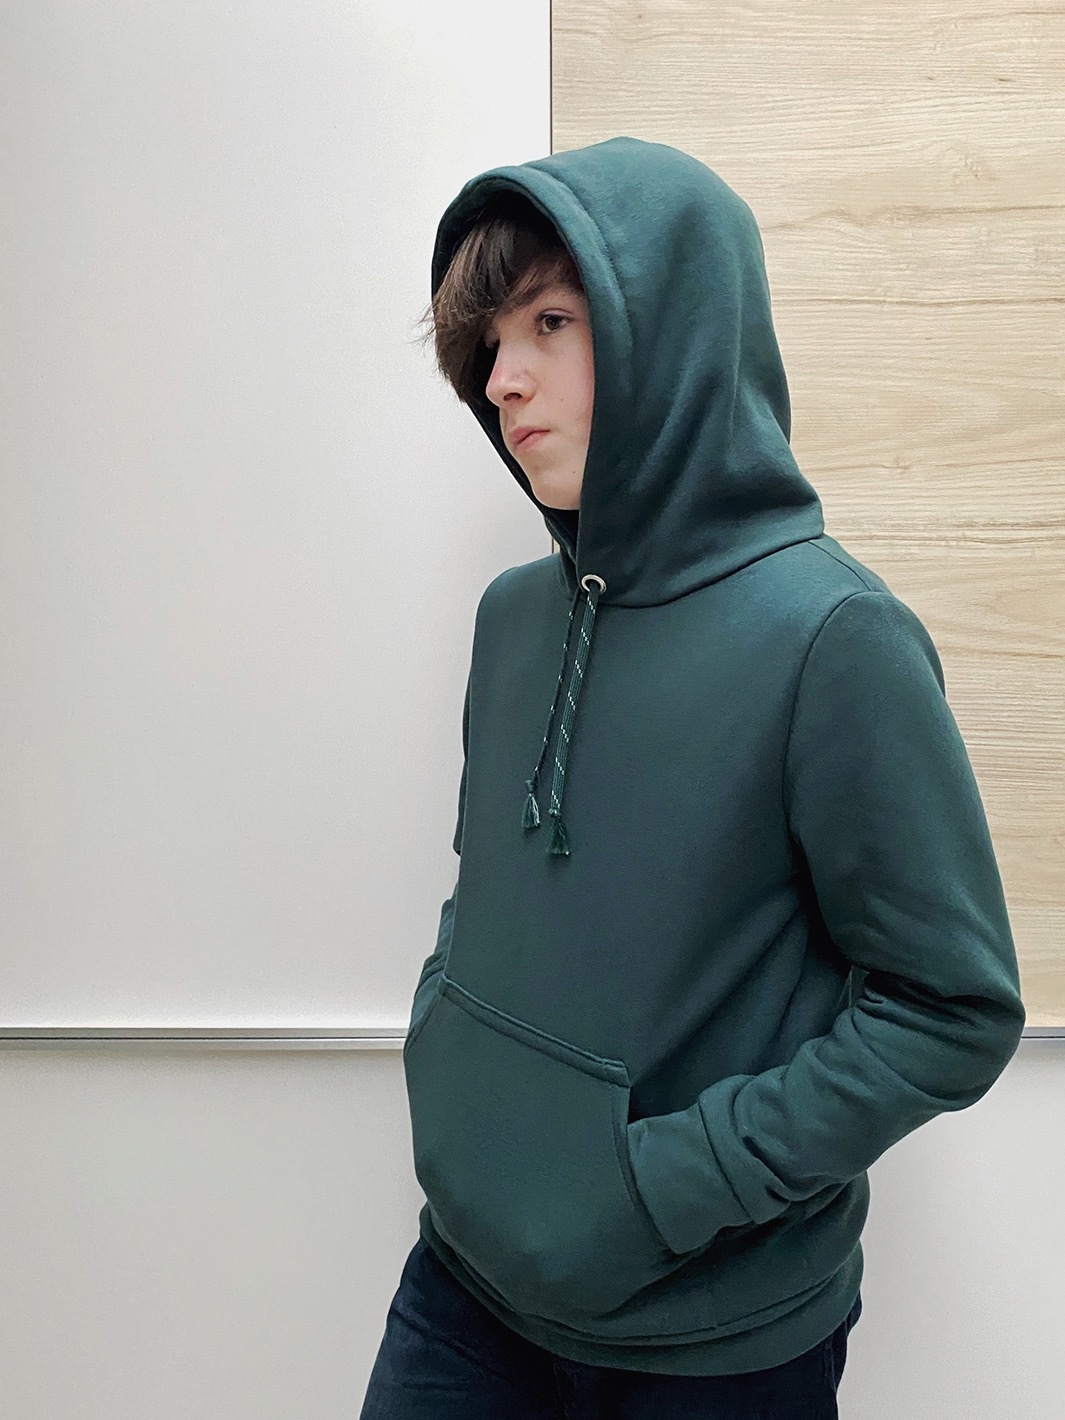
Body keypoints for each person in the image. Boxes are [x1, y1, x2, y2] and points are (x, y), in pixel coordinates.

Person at [359, 136, 1026, 1418]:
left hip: (712, 1346)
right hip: (461, 1287)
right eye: (489, 340)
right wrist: (450, 1064)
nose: (502, 378)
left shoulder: (833, 638)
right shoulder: (511, 618)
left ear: (675, 331)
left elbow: (951, 1007)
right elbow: (484, 897)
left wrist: (663, 1185)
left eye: (551, 322)